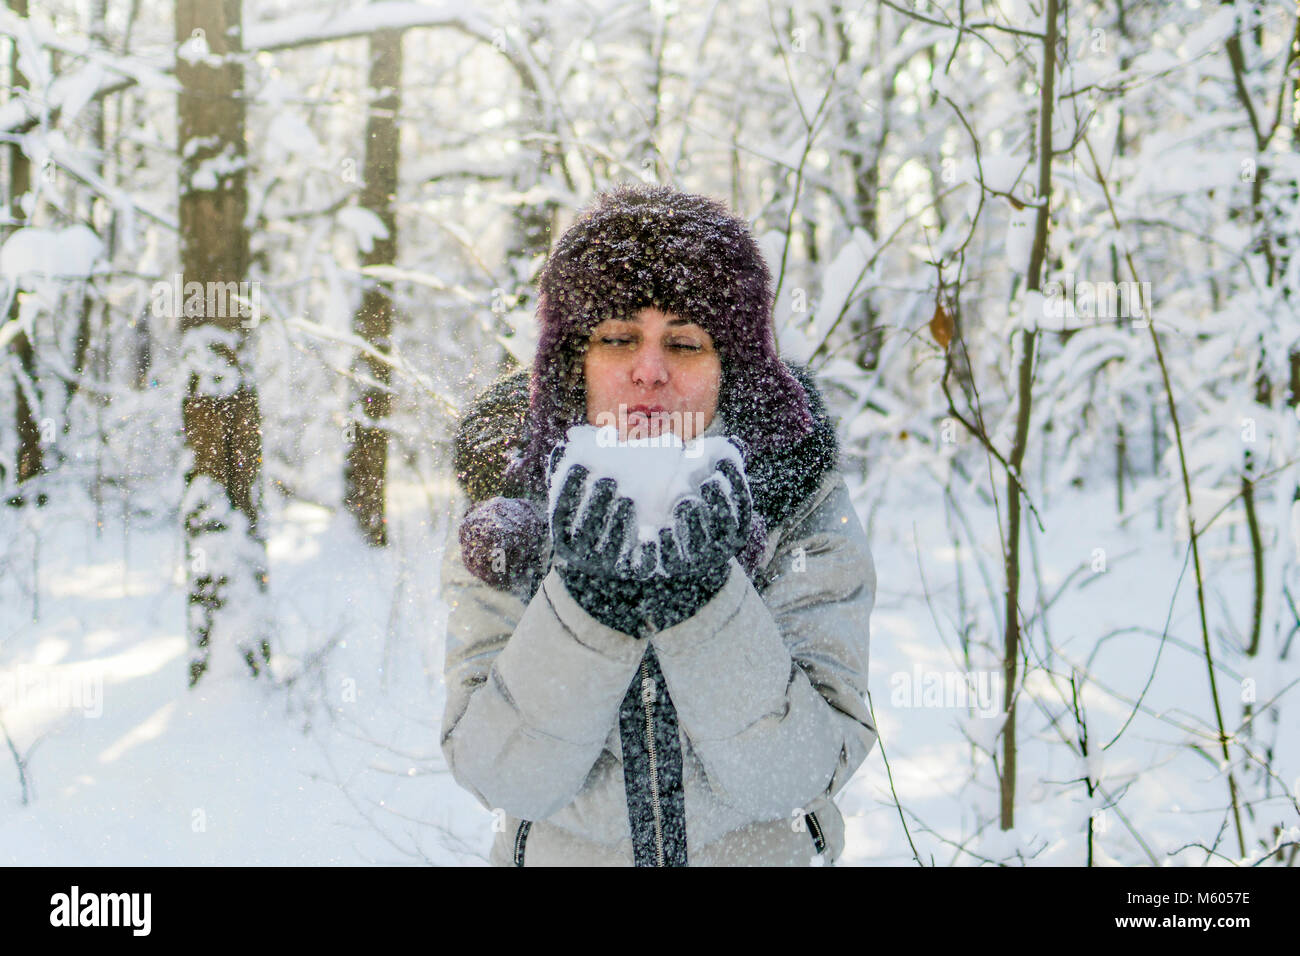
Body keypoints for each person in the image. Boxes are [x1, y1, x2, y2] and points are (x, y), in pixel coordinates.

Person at [439, 181, 878, 866]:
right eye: (617, 338)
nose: (649, 372)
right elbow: (505, 778)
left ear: (731, 368)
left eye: (685, 342)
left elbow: (795, 779)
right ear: (573, 363)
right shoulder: (510, 515)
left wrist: (707, 607)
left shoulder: (799, 504)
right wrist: (585, 611)